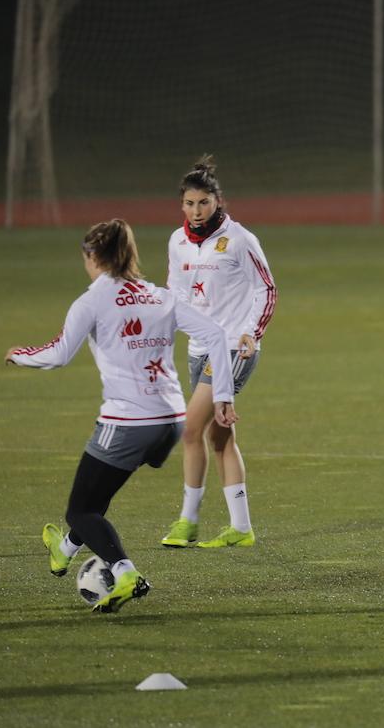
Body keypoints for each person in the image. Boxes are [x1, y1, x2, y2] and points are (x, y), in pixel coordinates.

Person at [6, 219, 238, 613]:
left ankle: (125, 573)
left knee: (82, 510)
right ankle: (63, 551)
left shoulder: (93, 300)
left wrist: (19, 354)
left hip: (128, 423)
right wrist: (223, 397)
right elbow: (215, 335)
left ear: (92, 256)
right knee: (98, 495)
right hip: (170, 422)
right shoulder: (157, 295)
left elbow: (60, 353)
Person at [159, 156, 277, 549]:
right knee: (220, 438)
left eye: (203, 203)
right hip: (198, 347)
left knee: (190, 429)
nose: (196, 211)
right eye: (189, 204)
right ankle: (241, 528)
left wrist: (252, 331)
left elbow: (267, 289)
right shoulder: (177, 242)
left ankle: (187, 521)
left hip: (232, 349)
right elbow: (174, 294)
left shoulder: (239, 239)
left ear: (218, 201)